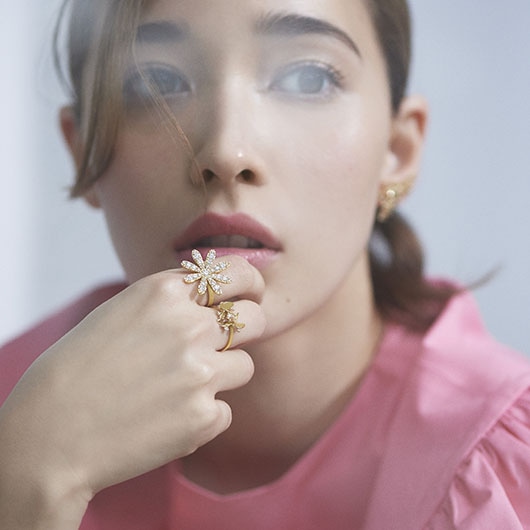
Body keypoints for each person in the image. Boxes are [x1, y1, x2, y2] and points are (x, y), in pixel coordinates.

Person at [1, 0, 529, 528]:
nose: (227, 152)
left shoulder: (496, 472)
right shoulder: (17, 416)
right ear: (83, 152)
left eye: (306, 78)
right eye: (154, 82)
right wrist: (28, 479)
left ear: (398, 148)